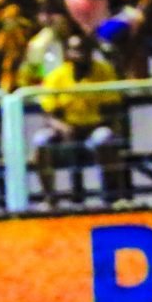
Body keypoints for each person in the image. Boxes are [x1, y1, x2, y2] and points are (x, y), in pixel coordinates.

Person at [33, 34, 124, 207]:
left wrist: (90, 125)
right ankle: (50, 199)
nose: (79, 54)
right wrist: (63, 127)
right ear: (67, 53)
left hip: (94, 129)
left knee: (104, 137)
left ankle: (112, 198)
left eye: (83, 50)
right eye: (75, 50)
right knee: (41, 140)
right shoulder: (56, 76)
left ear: (91, 52)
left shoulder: (104, 71)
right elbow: (48, 113)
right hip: (65, 133)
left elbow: (112, 109)